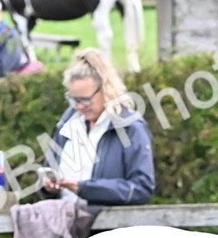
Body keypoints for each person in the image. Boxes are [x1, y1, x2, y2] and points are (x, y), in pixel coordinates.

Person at [43, 48, 156, 206]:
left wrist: (85, 189)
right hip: (63, 224)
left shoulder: (131, 128)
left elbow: (141, 189)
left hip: (110, 227)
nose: (80, 106)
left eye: (86, 99)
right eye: (74, 99)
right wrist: (49, 186)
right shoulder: (66, 126)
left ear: (106, 89)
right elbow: (49, 172)